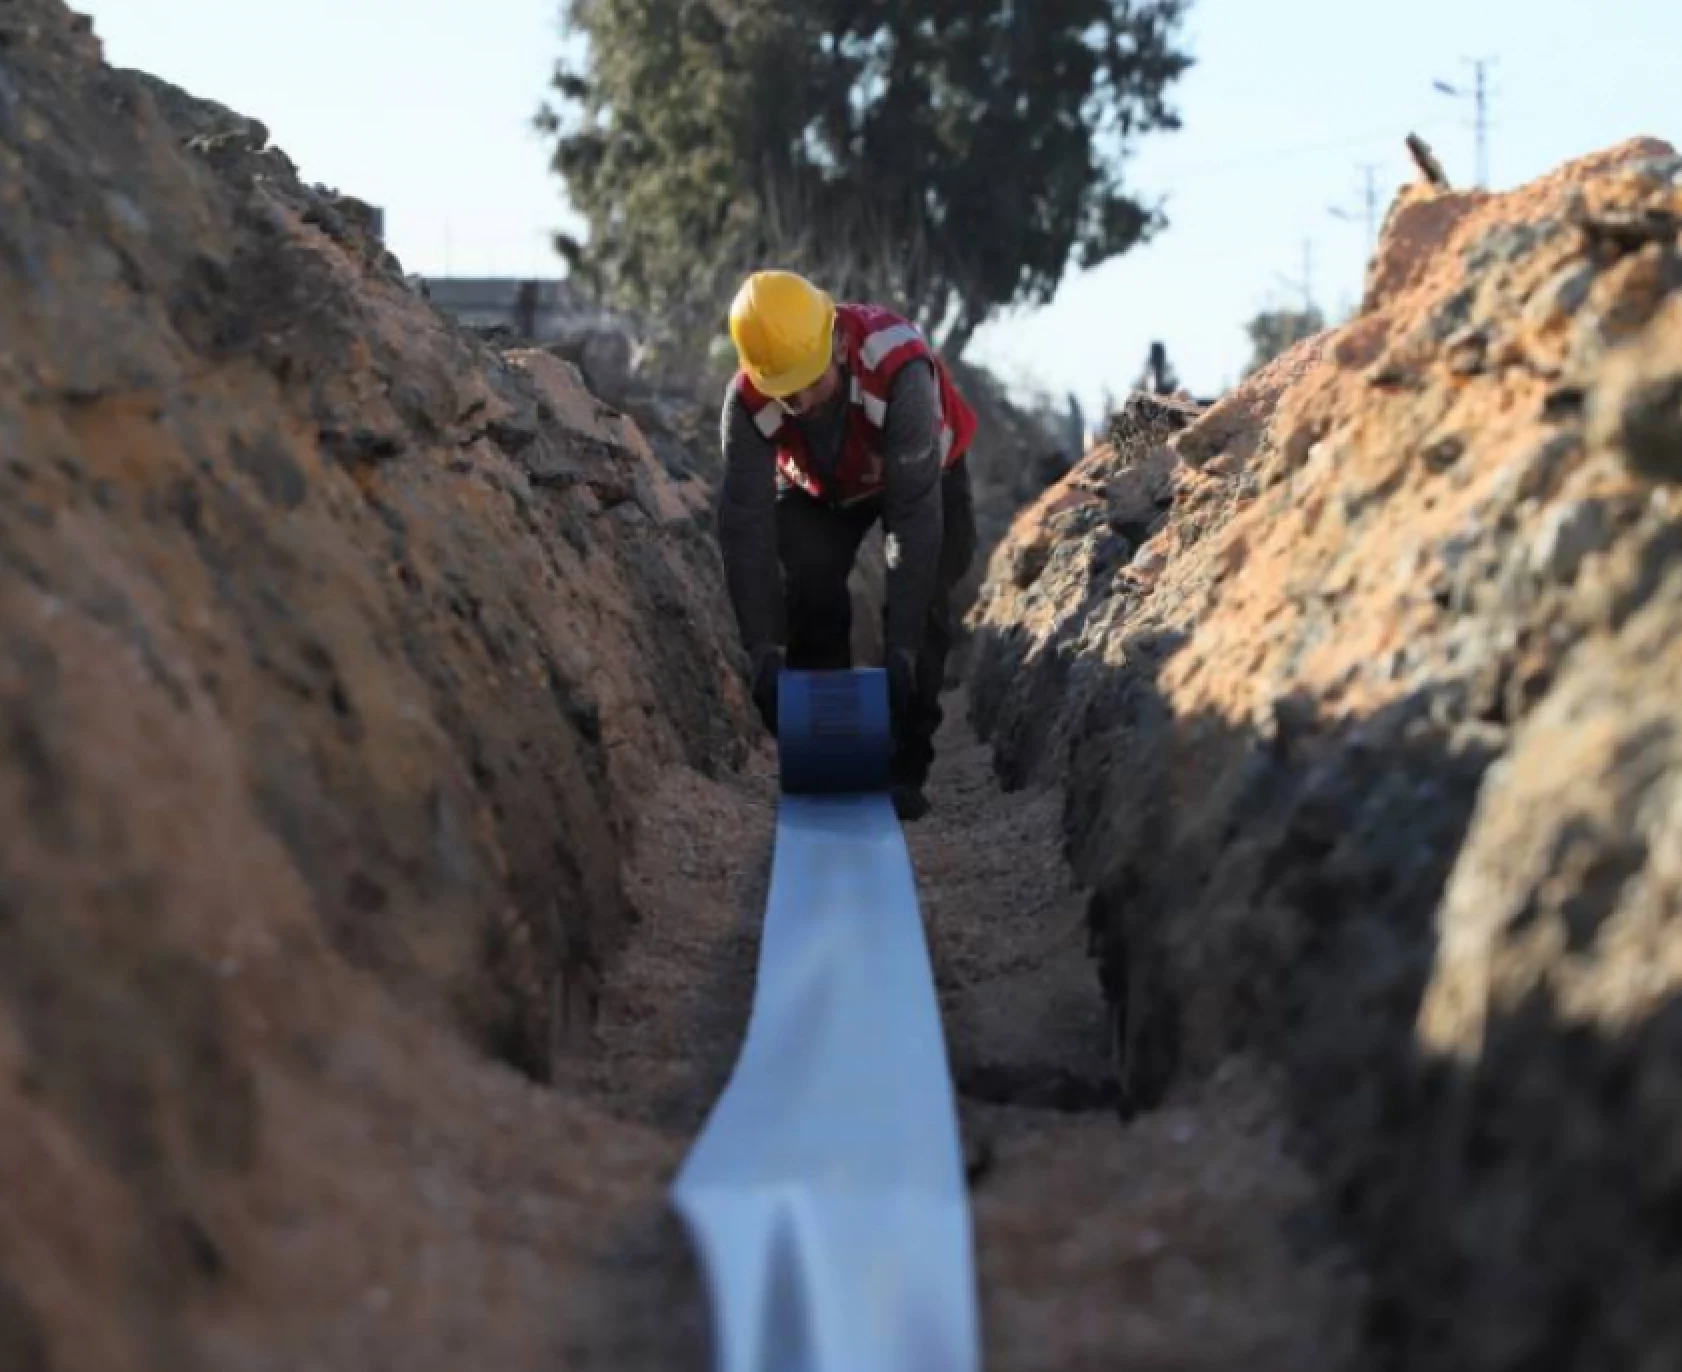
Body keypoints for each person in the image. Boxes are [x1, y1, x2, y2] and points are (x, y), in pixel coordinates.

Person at [716, 270, 979, 821]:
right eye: (784, 390)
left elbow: (914, 521)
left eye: (810, 382)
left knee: (927, 591)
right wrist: (762, 647)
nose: (800, 402)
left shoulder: (900, 369)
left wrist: (902, 648)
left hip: (923, 477)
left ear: (838, 343)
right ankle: (825, 752)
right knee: (809, 582)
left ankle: (905, 763)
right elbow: (747, 527)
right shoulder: (746, 402)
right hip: (821, 484)